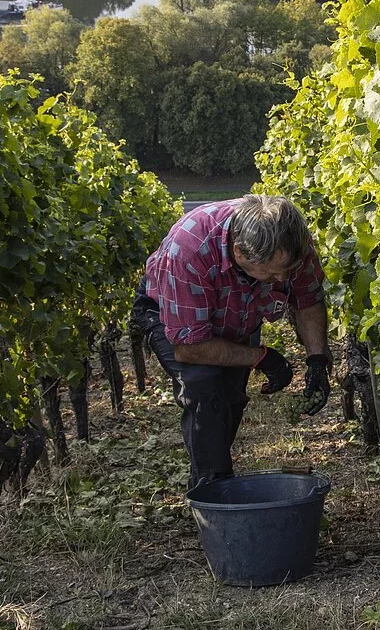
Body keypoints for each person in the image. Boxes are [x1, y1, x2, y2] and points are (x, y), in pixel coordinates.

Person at [130, 194, 331, 489]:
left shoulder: (290, 241)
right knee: (205, 389)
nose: (281, 279)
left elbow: (307, 297)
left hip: (236, 310)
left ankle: (218, 477)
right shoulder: (188, 250)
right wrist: (261, 356)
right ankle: (213, 493)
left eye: (285, 270)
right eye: (271, 273)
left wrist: (317, 360)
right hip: (175, 312)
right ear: (239, 252)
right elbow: (190, 347)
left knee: (231, 397)